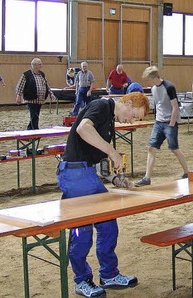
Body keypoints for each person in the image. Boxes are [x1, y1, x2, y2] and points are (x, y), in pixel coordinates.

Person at [58, 92, 148, 298]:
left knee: (108, 225)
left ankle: (108, 274)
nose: (132, 120)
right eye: (135, 115)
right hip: (75, 174)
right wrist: (112, 152)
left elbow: (96, 157)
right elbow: (83, 129)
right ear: (128, 102)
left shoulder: (109, 120)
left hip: (88, 174)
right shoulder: (101, 106)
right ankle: (82, 280)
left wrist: (115, 179)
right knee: (82, 232)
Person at [134, 66, 189, 186]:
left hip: (169, 122)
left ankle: (186, 172)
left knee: (174, 149)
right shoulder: (154, 89)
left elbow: (175, 107)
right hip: (158, 122)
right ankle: (147, 177)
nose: (148, 82)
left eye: (149, 79)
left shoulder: (169, 87)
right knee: (151, 147)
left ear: (154, 77)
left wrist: (172, 123)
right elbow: (159, 105)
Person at [15, 57, 55, 130]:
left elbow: (46, 85)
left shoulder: (42, 74)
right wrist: (18, 96)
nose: (41, 66)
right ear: (34, 65)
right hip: (31, 99)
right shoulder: (26, 75)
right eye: (40, 64)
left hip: (40, 100)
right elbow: (20, 85)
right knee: (34, 115)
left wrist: (51, 94)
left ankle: (29, 130)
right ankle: (35, 130)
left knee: (35, 115)